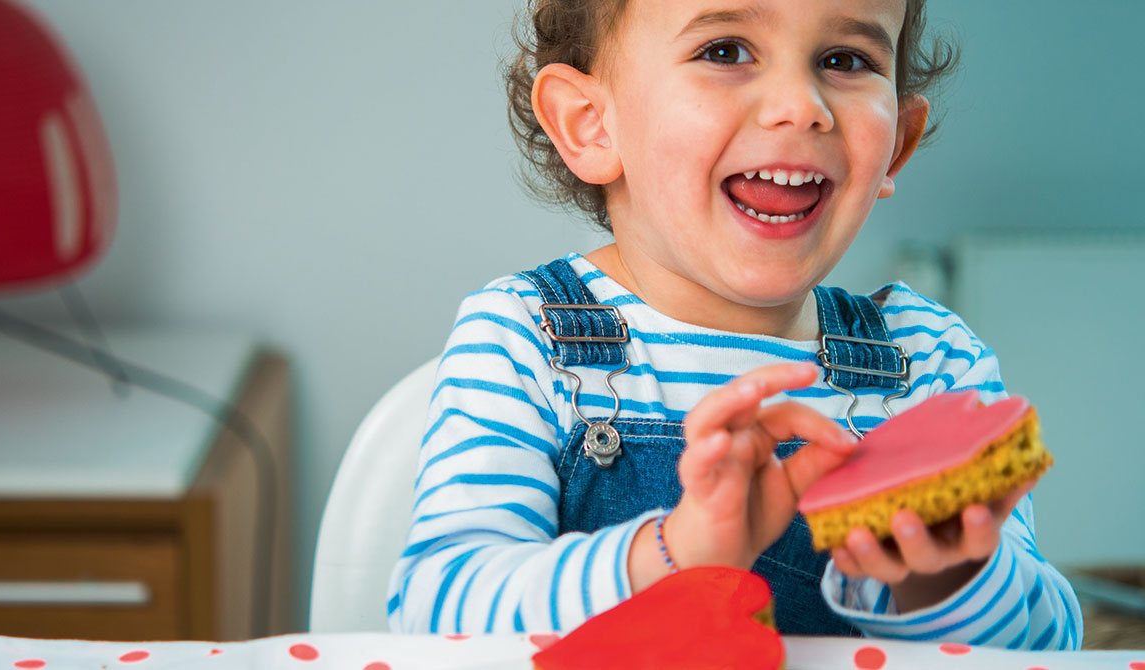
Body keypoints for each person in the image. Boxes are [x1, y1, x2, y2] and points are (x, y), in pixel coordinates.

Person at [387, 0, 1082, 648]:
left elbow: (1055, 646)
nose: (800, 107)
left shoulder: (929, 362)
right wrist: (673, 554)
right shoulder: (526, 338)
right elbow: (437, 612)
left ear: (897, 145)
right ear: (591, 124)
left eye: (843, 61)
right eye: (725, 50)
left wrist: (946, 577)